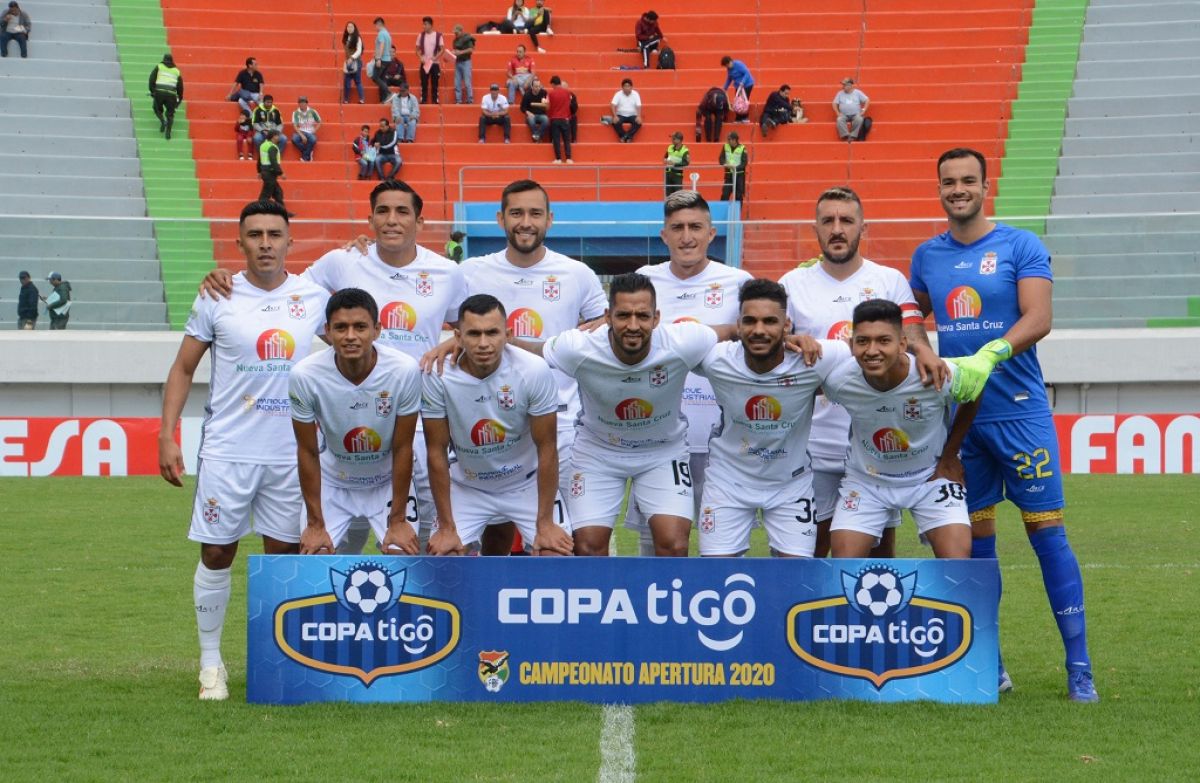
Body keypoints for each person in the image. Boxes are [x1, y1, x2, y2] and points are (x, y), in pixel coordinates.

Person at [909, 147, 1098, 702]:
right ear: (939, 188)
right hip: (962, 424)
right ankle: (990, 662)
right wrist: (922, 348)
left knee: (1048, 536)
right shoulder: (927, 255)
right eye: (949, 182)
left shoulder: (1020, 245)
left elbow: (1039, 317)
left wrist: (991, 352)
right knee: (975, 544)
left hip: (1020, 413)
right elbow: (911, 316)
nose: (958, 189)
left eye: (968, 180)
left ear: (985, 186)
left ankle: (1079, 666)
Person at [200, 181, 467, 550]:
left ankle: (420, 601)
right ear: (369, 218)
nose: (392, 220)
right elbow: (281, 292)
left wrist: (455, 340)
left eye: (402, 211)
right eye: (383, 211)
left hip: (416, 417)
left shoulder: (447, 272)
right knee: (341, 536)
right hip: (344, 414)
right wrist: (227, 277)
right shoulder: (342, 261)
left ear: (420, 221)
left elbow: (474, 324)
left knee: (418, 536)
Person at [160, 200, 329, 700]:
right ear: (239, 243)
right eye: (254, 234)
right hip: (229, 450)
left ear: (289, 242)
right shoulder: (218, 295)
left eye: (274, 234)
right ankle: (211, 664)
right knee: (217, 551)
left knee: (279, 558)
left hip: (291, 454)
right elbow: (183, 369)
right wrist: (167, 433)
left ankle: (276, 664)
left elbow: (356, 334)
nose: (265, 243)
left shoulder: (314, 296)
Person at [425, 180, 607, 554]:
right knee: (492, 538)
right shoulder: (471, 271)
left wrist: (568, 343)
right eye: (517, 213)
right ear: (500, 218)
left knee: (574, 541)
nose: (526, 222)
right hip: (487, 420)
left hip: (564, 423)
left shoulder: (577, 273)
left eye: (535, 213)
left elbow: (605, 325)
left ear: (550, 220)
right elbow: (455, 321)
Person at [780, 186, 944, 559]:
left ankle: (878, 620)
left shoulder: (889, 280)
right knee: (818, 549)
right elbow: (774, 344)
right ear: (815, 229)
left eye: (846, 221)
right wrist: (791, 341)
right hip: (815, 442)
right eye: (828, 221)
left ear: (862, 228)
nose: (837, 229)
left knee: (880, 553)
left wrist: (924, 353)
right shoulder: (792, 285)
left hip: (881, 444)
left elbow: (913, 333)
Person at [516, 273, 721, 557]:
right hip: (598, 453)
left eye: (642, 316)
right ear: (607, 316)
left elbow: (738, 332)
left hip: (663, 453)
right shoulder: (578, 347)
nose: (633, 325)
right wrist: (472, 341)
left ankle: (659, 601)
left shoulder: (685, 341)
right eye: (623, 315)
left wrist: (792, 337)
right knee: (588, 546)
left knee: (673, 544)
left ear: (657, 317)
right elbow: (533, 351)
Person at [627, 190, 752, 555]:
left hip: (722, 438)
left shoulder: (738, 281)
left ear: (712, 234)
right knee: (658, 543)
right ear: (663, 235)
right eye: (677, 228)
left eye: (695, 227)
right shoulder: (643, 281)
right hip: (657, 437)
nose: (686, 237)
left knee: (724, 547)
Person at [694, 279, 845, 557]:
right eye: (749, 321)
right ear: (738, 325)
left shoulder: (814, 359)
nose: (759, 330)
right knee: (715, 574)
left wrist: (921, 354)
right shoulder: (717, 359)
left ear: (787, 325)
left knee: (795, 576)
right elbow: (670, 340)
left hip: (790, 484)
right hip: (727, 483)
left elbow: (872, 353)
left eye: (770, 322)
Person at [822, 299, 974, 560]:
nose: (872, 350)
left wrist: (950, 455)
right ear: (851, 344)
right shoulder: (839, 382)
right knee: (843, 566)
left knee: (958, 561)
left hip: (928, 479)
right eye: (862, 341)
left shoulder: (934, 373)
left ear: (903, 343)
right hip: (867, 482)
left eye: (883, 341)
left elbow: (974, 393)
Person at [423, 294, 573, 556]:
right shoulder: (438, 375)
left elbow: (547, 447)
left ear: (508, 334)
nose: (484, 343)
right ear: (457, 337)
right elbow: (436, 451)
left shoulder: (533, 370)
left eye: (492, 333)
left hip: (526, 484)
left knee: (555, 556)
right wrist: (447, 526)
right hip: (467, 486)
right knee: (444, 556)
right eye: (474, 334)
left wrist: (545, 523)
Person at [290, 288, 422, 555]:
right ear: (327, 331)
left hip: (386, 483)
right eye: (341, 327)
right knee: (316, 557)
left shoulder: (404, 370)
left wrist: (397, 520)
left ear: (377, 330)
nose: (350, 336)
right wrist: (315, 523)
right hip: (334, 482)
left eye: (360, 327)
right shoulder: (305, 375)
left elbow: (403, 447)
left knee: (401, 552)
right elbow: (307, 450)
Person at [148, 53, 183, 140]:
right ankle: (168, 133)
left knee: (156, 108)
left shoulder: (159, 67)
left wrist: (152, 91)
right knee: (170, 114)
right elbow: (180, 86)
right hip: (171, 95)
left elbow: (151, 79)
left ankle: (163, 121)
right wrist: (180, 98)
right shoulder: (176, 71)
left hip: (159, 92)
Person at [415, 16, 444, 105]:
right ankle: (424, 99)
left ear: (431, 25)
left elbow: (442, 49)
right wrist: (420, 58)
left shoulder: (438, 35)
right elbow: (417, 49)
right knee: (424, 82)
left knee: (435, 82)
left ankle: (435, 99)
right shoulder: (421, 35)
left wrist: (435, 57)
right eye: (423, 24)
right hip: (425, 62)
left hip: (434, 63)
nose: (424, 26)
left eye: (426, 24)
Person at [546, 75, 572, 164]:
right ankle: (568, 158)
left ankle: (558, 159)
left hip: (555, 118)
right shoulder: (568, 93)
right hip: (565, 118)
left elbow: (548, 107)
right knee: (566, 139)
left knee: (556, 140)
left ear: (553, 84)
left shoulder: (550, 94)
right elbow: (570, 105)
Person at [721, 56, 754, 122]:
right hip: (738, 86)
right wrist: (725, 87)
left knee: (743, 101)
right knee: (737, 101)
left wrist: (743, 82)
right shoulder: (729, 69)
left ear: (730, 62)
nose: (727, 67)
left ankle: (745, 117)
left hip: (747, 85)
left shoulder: (738, 64)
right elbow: (729, 78)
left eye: (727, 65)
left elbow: (747, 73)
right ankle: (739, 118)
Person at [256, 130, 285, 207]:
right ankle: (259, 209)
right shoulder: (272, 147)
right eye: (278, 135)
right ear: (273, 137)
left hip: (265, 172)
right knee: (266, 194)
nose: (279, 137)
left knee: (278, 192)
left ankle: (281, 210)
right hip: (270, 173)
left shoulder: (263, 145)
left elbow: (259, 159)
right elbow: (273, 161)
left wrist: (259, 171)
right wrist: (281, 173)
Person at [610, 78, 642, 143]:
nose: (627, 88)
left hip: (632, 115)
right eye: (625, 86)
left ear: (631, 87)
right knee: (615, 122)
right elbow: (612, 104)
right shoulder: (618, 94)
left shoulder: (636, 94)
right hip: (621, 115)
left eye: (628, 86)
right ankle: (627, 137)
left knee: (638, 122)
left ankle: (625, 137)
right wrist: (615, 116)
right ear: (622, 87)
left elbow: (639, 105)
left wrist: (639, 116)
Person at [290, 97, 321, 161]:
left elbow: (319, 122)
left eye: (303, 103)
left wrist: (314, 130)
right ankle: (308, 151)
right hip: (300, 131)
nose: (302, 105)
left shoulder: (312, 111)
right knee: (294, 139)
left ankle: (305, 156)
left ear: (307, 104)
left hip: (310, 131)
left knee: (313, 139)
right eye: (300, 103)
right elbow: (295, 126)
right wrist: (302, 135)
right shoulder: (295, 113)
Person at [719, 131, 747, 202]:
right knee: (725, 195)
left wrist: (734, 168)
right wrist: (724, 164)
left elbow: (744, 163)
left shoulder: (742, 148)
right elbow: (721, 158)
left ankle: (737, 213)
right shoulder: (725, 146)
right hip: (729, 175)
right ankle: (723, 212)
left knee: (738, 196)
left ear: (734, 140)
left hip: (739, 175)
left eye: (729, 139)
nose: (728, 141)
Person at [451, 25, 475, 105]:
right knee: (457, 82)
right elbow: (455, 50)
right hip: (458, 62)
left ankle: (470, 99)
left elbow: (471, 50)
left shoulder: (467, 39)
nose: (456, 34)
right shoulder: (455, 41)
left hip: (466, 62)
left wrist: (460, 52)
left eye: (457, 33)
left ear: (461, 31)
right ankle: (458, 100)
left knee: (467, 82)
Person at [341, 21, 365, 104]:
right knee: (346, 81)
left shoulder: (357, 38)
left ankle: (362, 99)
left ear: (354, 28)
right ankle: (346, 99)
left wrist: (352, 58)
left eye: (351, 27)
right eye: (348, 27)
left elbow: (359, 50)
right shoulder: (347, 38)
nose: (349, 28)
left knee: (357, 81)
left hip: (356, 62)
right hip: (348, 62)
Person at [521, 76, 550, 142]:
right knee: (531, 121)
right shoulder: (527, 94)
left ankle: (536, 135)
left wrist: (546, 102)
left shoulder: (544, 93)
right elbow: (522, 107)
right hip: (531, 114)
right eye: (536, 86)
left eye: (539, 86)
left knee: (546, 120)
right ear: (532, 87)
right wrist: (527, 112)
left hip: (541, 114)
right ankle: (539, 137)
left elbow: (547, 105)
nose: (538, 88)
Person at [372, 17, 393, 101]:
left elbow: (382, 45)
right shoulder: (387, 34)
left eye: (375, 26)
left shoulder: (381, 34)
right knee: (382, 79)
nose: (375, 28)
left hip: (382, 59)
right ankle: (384, 99)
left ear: (379, 24)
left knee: (375, 77)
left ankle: (389, 93)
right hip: (388, 60)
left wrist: (378, 58)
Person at [663, 131, 689, 196]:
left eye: (674, 139)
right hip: (668, 173)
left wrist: (674, 164)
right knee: (668, 195)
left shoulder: (685, 150)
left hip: (677, 175)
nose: (672, 140)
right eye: (672, 138)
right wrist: (665, 160)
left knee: (678, 195)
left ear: (679, 140)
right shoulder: (670, 147)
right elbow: (665, 157)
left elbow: (686, 162)